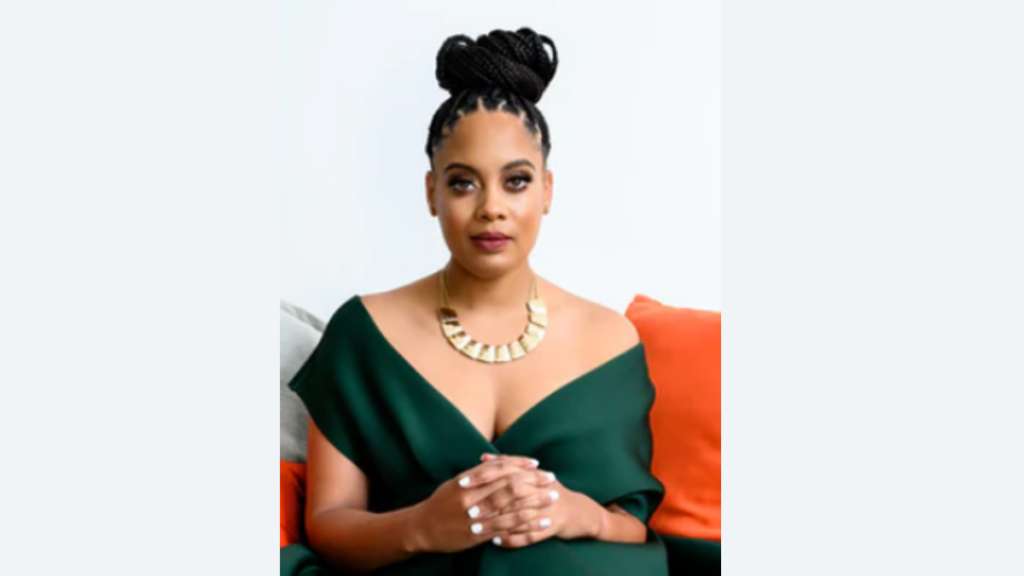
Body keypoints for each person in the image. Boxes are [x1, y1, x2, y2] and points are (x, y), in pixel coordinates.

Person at [282, 27, 670, 575]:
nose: (492, 208)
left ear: (547, 190)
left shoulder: (609, 339)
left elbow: (634, 525)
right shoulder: (364, 332)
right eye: (463, 183)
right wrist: (422, 526)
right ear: (431, 193)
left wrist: (582, 515)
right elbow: (328, 523)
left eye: (516, 181)